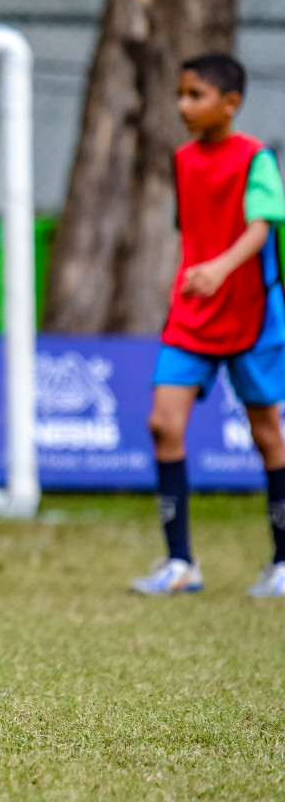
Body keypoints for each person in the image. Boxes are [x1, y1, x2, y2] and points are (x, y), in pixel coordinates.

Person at [131, 53, 285, 598]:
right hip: (193, 315)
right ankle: (180, 565)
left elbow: (261, 228)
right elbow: (193, 231)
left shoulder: (256, 160)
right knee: (162, 425)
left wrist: (220, 269)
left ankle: (283, 562)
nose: (183, 105)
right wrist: (199, 276)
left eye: (195, 95)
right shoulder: (182, 159)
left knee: (267, 433)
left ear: (231, 103)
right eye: (181, 94)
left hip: (251, 313)